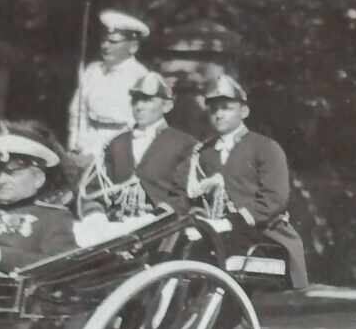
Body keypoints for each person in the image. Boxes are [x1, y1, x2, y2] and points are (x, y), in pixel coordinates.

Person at [191, 75, 308, 288]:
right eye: (214, 109)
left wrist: (233, 221)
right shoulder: (204, 153)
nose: (219, 114)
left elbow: (275, 199)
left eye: (226, 108)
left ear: (244, 112)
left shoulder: (265, 147)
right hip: (216, 233)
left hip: (262, 234)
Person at [0, 122, 78, 272]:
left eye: (13, 172)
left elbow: (62, 265)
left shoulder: (53, 218)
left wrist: (0, 255)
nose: (1, 180)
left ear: (38, 179)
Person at [82, 72, 198, 219]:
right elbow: (95, 189)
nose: (139, 106)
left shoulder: (185, 144)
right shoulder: (116, 143)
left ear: (167, 106)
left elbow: (186, 194)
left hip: (164, 227)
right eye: (136, 100)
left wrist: (159, 214)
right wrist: (95, 214)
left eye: (147, 100)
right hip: (116, 225)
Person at [67, 10, 151, 161]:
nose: (105, 46)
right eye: (104, 41)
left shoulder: (141, 77)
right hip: (87, 145)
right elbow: (77, 112)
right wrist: (75, 142)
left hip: (122, 148)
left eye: (113, 42)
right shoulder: (92, 71)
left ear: (133, 47)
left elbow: (144, 123)